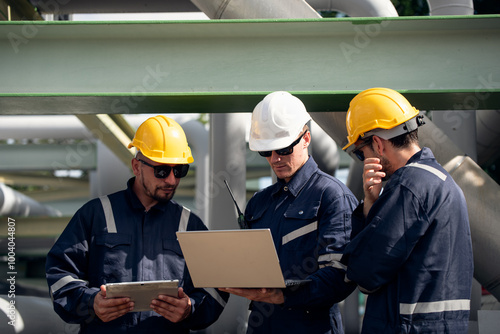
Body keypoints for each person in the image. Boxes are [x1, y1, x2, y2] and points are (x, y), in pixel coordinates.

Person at [46, 115, 228, 333]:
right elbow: (60, 275)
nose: (171, 180)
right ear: (136, 166)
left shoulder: (190, 225)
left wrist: (191, 308)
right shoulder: (96, 215)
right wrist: (90, 301)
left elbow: (217, 288)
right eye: (162, 170)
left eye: (179, 170)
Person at [221, 91, 358, 333]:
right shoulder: (259, 203)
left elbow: (340, 277)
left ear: (306, 138)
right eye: (266, 152)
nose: (274, 159)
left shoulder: (332, 196)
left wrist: (284, 295)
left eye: (283, 149)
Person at [340, 87, 473, 333]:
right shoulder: (441, 181)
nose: (363, 160)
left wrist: (369, 209)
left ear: (378, 144)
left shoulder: (408, 186)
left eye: (361, 153)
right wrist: (372, 203)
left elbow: (365, 273)